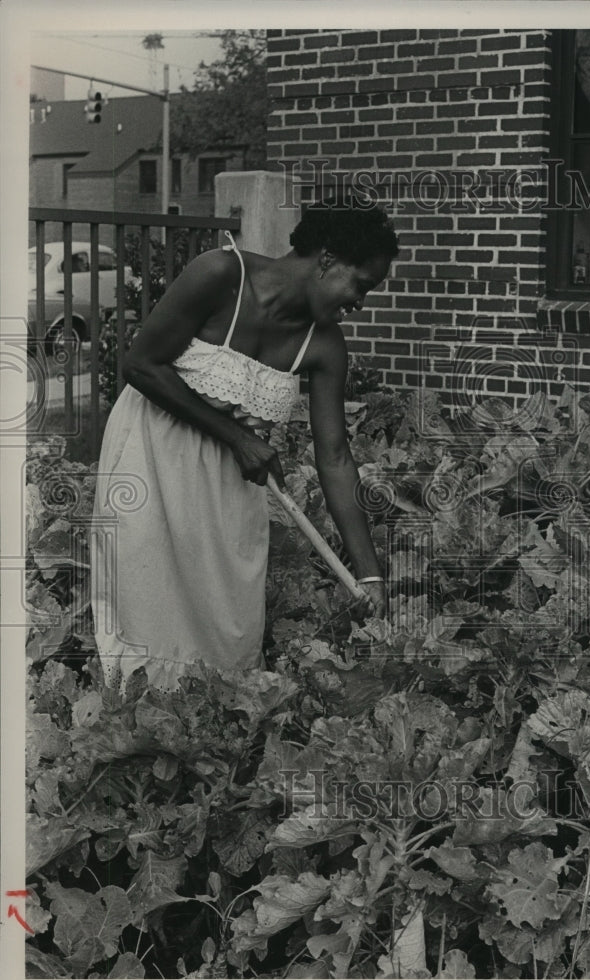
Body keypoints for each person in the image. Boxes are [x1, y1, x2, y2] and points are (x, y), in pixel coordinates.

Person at [90, 202, 399, 693]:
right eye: (360, 285)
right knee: (151, 600)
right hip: (151, 455)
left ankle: (217, 727)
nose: (360, 302)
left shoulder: (325, 347)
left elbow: (336, 457)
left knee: (226, 620)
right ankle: (142, 722)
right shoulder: (220, 274)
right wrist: (237, 436)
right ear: (327, 259)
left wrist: (370, 576)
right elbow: (141, 365)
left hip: (230, 480)